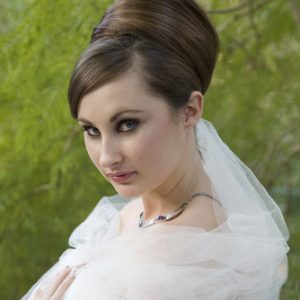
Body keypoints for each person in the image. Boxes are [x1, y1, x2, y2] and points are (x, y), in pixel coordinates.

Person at [22, 0, 290, 299]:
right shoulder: (137, 214)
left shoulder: (179, 256)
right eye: (92, 130)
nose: (107, 157)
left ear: (189, 111)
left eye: (127, 125)